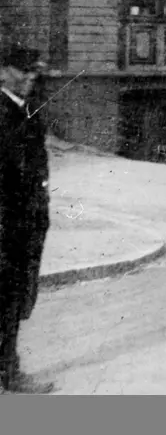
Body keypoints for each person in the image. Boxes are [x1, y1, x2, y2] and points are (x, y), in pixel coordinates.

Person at [0, 44, 53, 395]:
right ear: (3, 71)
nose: (30, 77)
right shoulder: (4, 113)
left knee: (16, 300)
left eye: (33, 71)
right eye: (23, 71)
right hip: (6, 225)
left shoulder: (27, 110)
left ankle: (8, 370)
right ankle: (9, 374)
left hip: (26, 224)